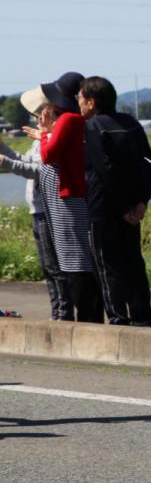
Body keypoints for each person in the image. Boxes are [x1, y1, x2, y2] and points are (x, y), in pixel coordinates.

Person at [79, 76, 151, 326]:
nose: (78, 103)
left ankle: (118, 318)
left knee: (107, 264)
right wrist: (141, 202)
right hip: (133, 207)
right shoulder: (132, 123)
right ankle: (143, 315)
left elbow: (105, 169)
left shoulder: (94, 126)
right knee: (133, 260)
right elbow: (150, 164)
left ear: (91, 102)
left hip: (105, 207)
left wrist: (124, 207)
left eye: (80, 99)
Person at [27, 72, 104, 322]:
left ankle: (86, 316)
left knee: (74, 258)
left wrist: (45, 133)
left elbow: (49, 155)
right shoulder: (76, 120)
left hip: (68, 198)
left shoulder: (69, 120)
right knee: (77, 255)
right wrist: (47, 133)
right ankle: (89, 313)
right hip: (73, 197)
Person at [0, 87, 71, 319]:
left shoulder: (50, 139)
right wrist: (3, 150)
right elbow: (25, 161)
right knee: (48, 268)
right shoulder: (40, 139)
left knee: (54, 267)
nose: (36, 117)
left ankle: (63, 314)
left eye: (38, 112)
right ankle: (57, 313)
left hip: (47, 208)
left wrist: (8, 164)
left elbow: (40, 171)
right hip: (39, 208)